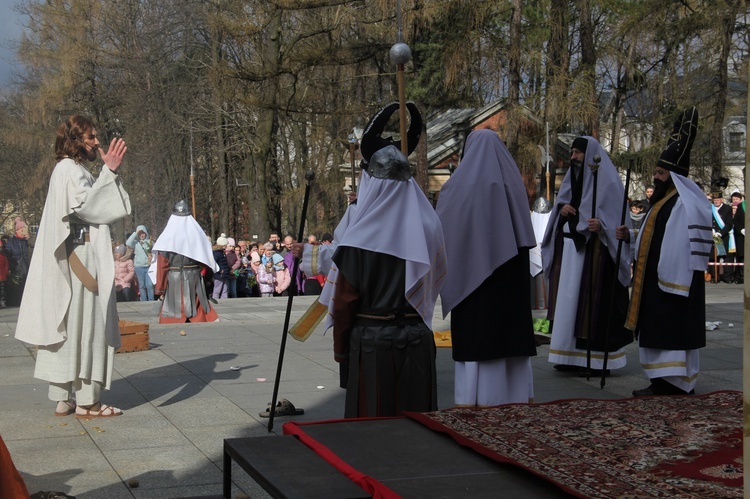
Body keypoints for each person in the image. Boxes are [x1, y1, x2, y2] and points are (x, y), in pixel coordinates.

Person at [331, 102, 445, 418]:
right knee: (418, 424)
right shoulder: (430, 227)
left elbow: (344, 302)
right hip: (418, 339)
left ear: (372, 181)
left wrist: (342, 349)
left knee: (373, 430)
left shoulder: (358, 238)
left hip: (373, 343)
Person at [15, 114, 131, 418]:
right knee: (87, 327)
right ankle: (87, 402)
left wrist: (104, 175)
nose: (96, 142)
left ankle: (64, 396)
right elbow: (88, 207)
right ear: (75, 140)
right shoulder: (69, 170)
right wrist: (110, 171)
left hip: (77, 256)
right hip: (81, 257)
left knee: (68, 326)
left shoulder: (71, 169)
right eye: (91, 137)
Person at [436, 129, 537, 406]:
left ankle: (475, 398)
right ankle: (515, 396)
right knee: (508, 336)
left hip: (473, 280)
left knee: (480, 336)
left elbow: (443, 230)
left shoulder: (457, 186)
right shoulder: (513, 181)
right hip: (510, 275)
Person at [616, 107, 711, 396]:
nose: (655, 178)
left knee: (671, 331)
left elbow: (678, 245)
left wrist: (669, 281)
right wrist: (632, 235)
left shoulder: (682, 203)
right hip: (661, 279)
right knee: (661, 332)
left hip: (672, 282)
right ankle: (664, 381)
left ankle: (673, 383)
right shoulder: (665, 200)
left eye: (660, 173)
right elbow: (655, 236)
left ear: (672, 176)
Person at [541, 136, 633, 375]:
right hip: (571, 255)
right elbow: (558, 215)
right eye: (572, 152)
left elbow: (619, 222)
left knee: (593, 309)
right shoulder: (571, 179)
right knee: (569, 306)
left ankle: (598, 360)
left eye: (577, 153)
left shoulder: (610, 184)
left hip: (598, 255)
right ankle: (569, 356)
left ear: (590, 154)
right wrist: (562, 211)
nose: (573, 157)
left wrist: (601, 226)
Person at [153, 200, 220, 323]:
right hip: (194, 277)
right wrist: (206, 278)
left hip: (174, 278)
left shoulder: (167, 237)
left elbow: (162, 266)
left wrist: (160, 289)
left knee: (174, 308)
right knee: (196, 305)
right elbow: (206, 258)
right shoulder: (196, 235)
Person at [6, 217, 31, 306]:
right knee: (17, 289)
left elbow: (34, 249)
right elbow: (8, 255)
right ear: (17, 230)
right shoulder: (11, 242)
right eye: (21, 230)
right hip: (16, 269)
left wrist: (29, 239)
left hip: (27, 268)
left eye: (24, 229)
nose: (23, 232)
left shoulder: (28, 241)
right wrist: (11, 267)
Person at [126, 225, 154, 301]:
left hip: (149, 266)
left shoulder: (150, 242)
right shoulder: (135, 243)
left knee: (149, 285)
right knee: (142, 285)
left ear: (146, 233)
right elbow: (128, 243)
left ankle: (151, 300)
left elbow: (155, 252)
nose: (141, 235)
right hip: (139, 267)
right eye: (140, 233)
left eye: (143, 233)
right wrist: (135, 233)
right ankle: (144, 301)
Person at [710, 192, 733, 282]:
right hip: (713, 235)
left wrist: (720, 233)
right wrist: (711, 230)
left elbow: (729, 223)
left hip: (724, 236)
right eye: (715, 200)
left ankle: (727, 277)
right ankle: (714, 277)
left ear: (722, 199)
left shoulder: (727, 208)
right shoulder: (710, 208)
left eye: (718, 199)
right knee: (713, 256)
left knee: (727, 256)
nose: (716, 201)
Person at [212, 234, 230, 299]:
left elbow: (224, 263)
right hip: (219, 274)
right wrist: (219, 270)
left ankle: (224, 301)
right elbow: (213, 263)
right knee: (217, 290)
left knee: (225, 289)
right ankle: (215, 301)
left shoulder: (222, 253)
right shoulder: (216, 254)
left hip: (224, 274)